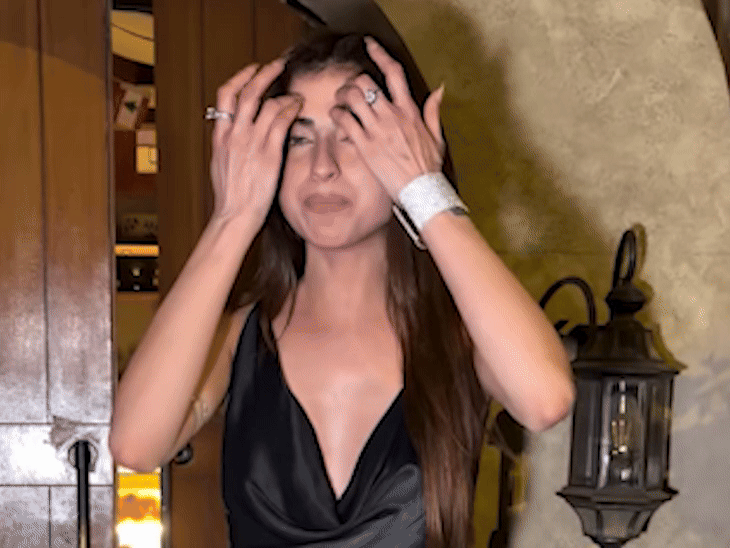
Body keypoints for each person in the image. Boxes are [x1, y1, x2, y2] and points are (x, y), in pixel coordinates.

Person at [109, 31, 575, 548]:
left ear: (405, 147)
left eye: (351, 135)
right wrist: (232, 218)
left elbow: (545, 400)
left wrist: (425, 189)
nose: (323, 166)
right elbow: (134, 445)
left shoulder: (461, 335)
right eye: (299, 139)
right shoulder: (237, 338)